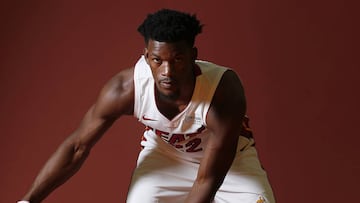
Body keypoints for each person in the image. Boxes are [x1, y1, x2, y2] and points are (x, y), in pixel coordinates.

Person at [18, 9, 275, 203]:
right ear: (146, 57)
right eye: (157, 59)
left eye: (177, 59)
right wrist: (27, 201)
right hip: (166, 156)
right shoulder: (125, 89)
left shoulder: (223, 92)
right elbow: (77, 147)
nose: (167, 71)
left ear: (193, 56)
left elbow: (207, 179)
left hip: (230, 165)